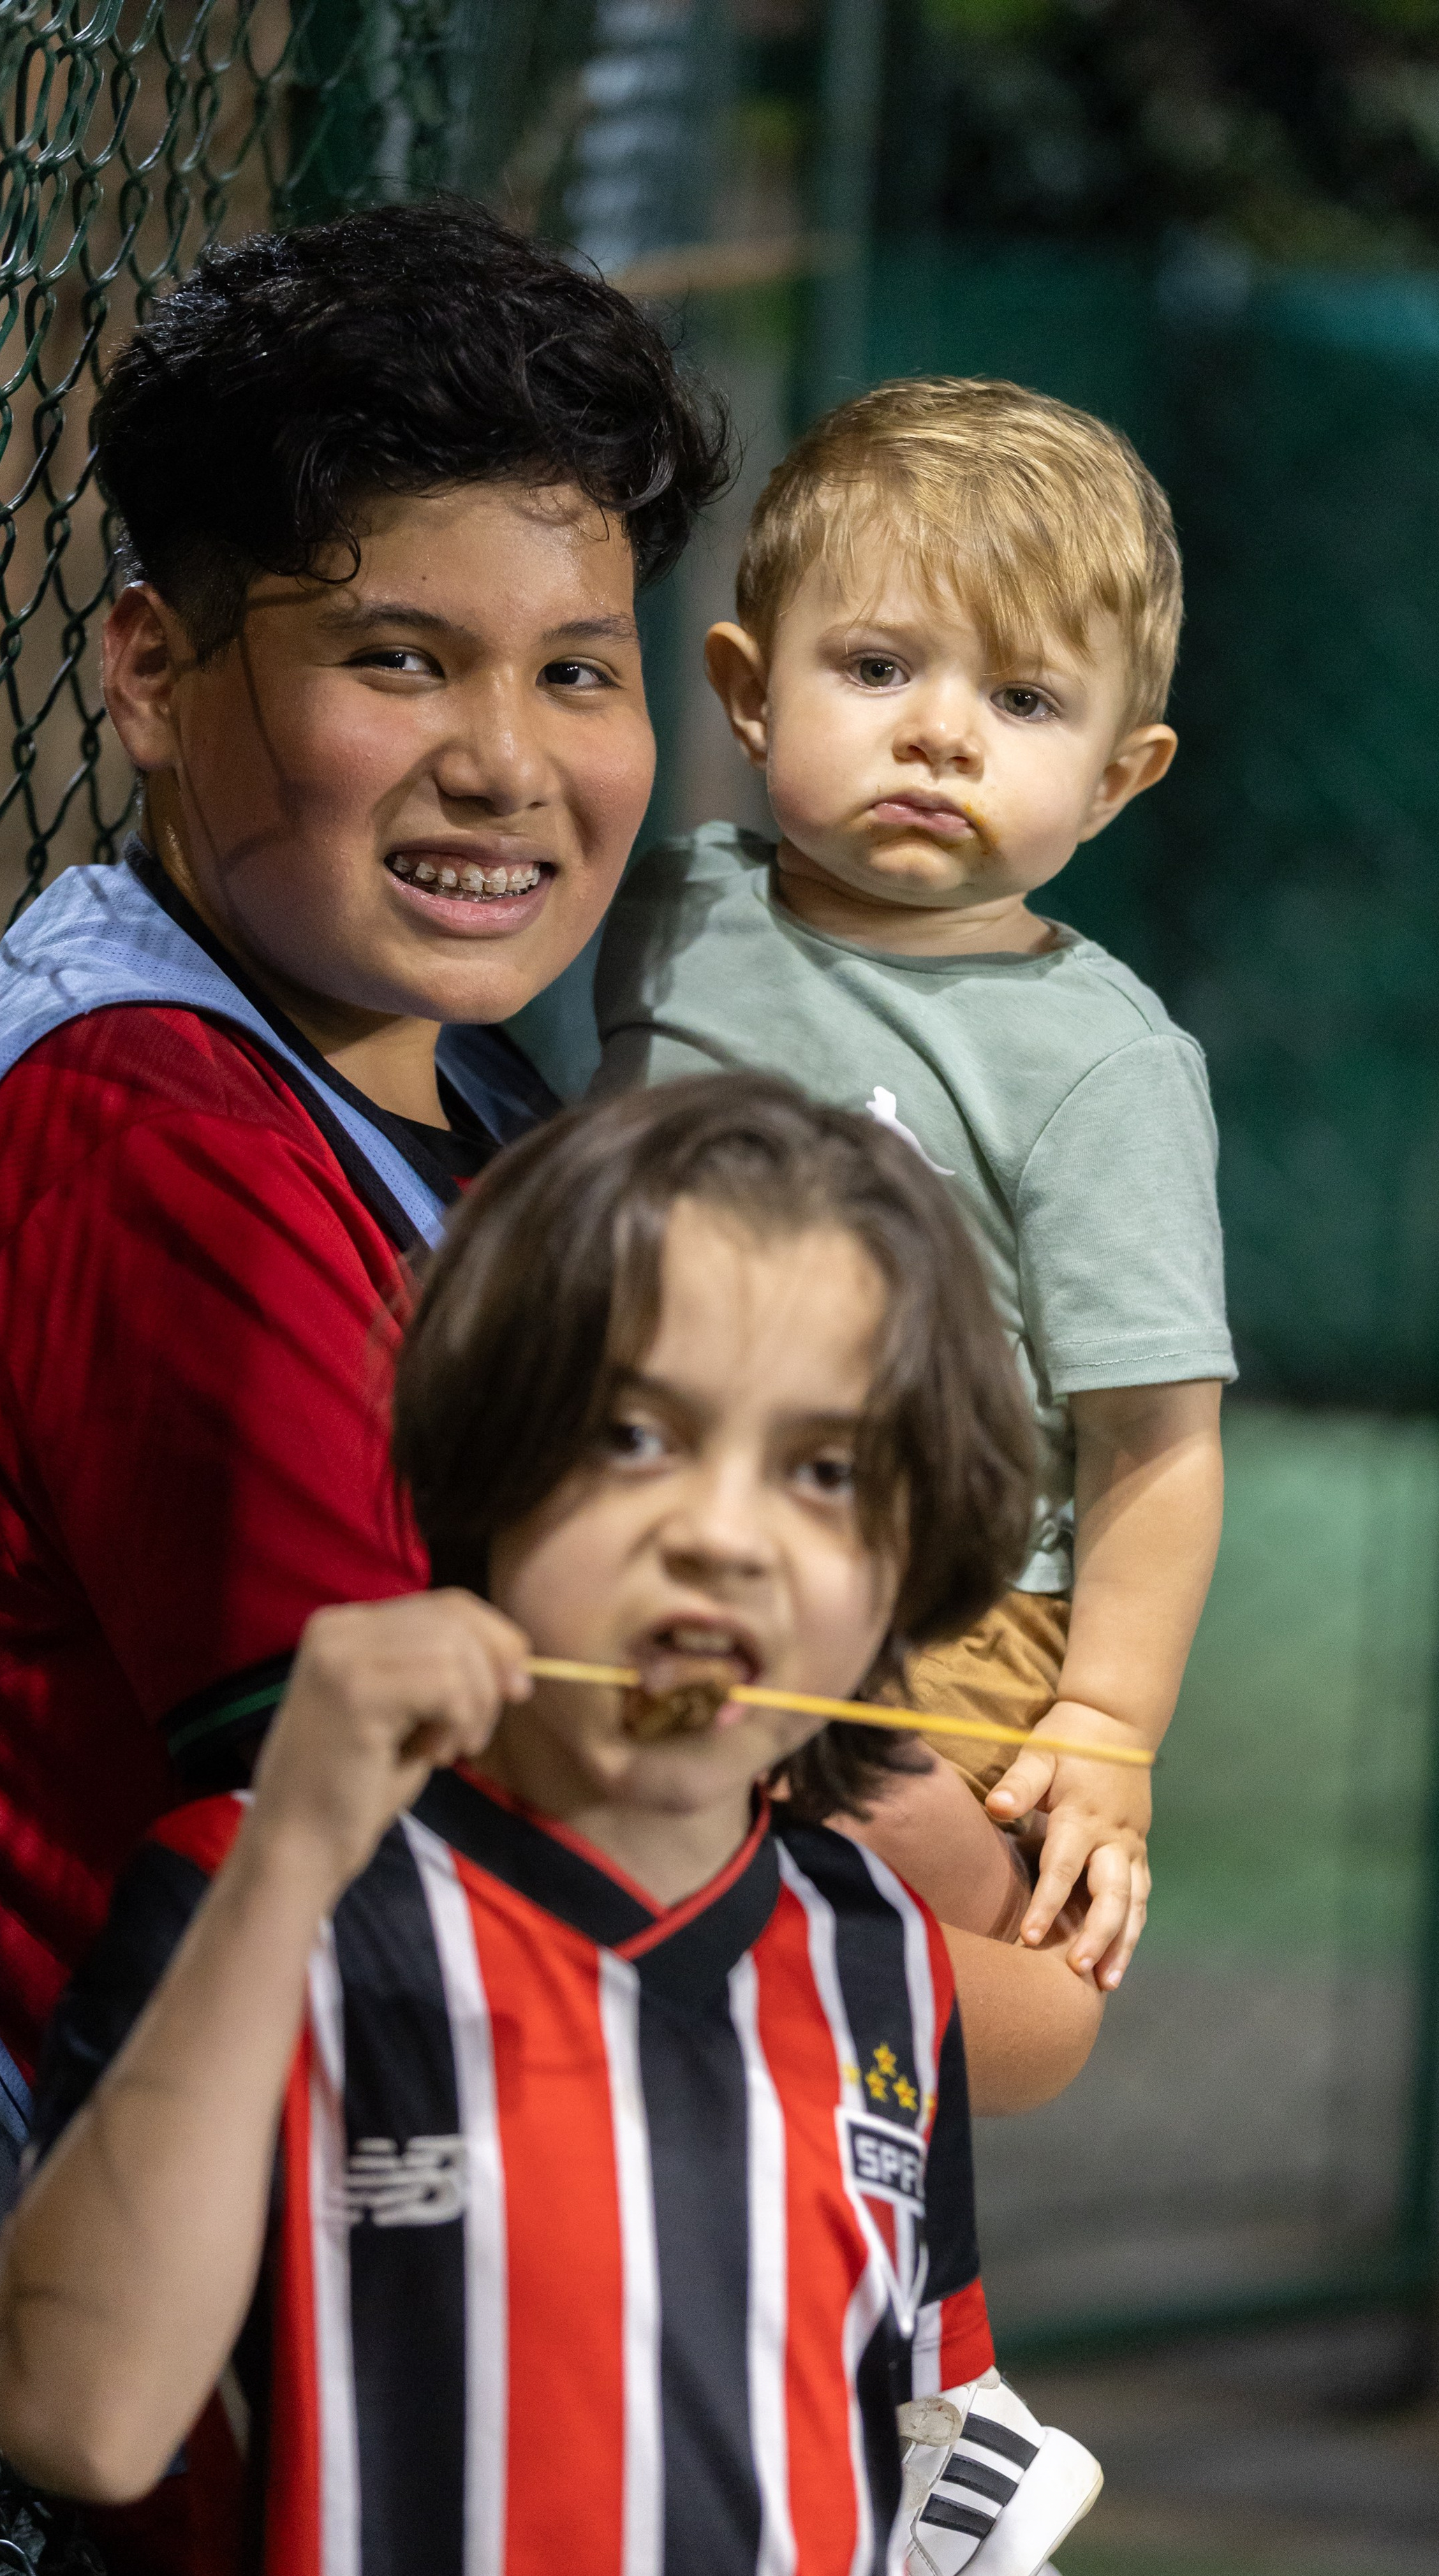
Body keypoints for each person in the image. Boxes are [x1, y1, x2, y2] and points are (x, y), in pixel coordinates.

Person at [0, 1075, 1112, 2576]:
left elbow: (897, 2495)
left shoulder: (879, 1959)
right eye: (636, 1435)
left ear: (903, 1575)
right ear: (482, 1463)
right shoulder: (259, 1893)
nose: (721, 1535)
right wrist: (296, 1841)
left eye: (822, 1472)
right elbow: (80, 2424)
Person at [0, 198, 729, 2299]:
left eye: (577, 673)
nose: (506, 764)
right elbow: (441, 1886)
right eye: (398, 657)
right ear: (156, 674)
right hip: (309, 2384)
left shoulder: (453, 1073)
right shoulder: (148, 1132)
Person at [595, 378, 1232, 1975]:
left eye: (1023, 703)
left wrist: (1101, 1717)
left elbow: (1152, 1437)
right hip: (644, 1527)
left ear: (1114, 779)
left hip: (931, 1617)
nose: (938, 731)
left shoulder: (1100, 1065)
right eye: (875, 669)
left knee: (832, 1979)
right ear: (745, 694)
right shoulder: (667, 904)